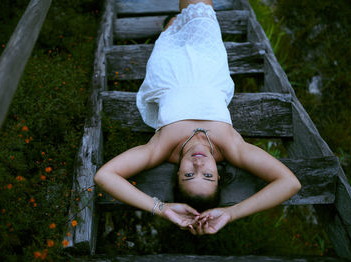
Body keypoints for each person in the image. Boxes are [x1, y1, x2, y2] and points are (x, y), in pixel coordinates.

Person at [94, 0, 301, 235]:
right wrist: (231, 213)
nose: (199, 164)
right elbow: (290, 183)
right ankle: (174, 21)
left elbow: (104, 176)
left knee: (172, 27)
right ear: (219, 174)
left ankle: (170, 24)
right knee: (198, 8)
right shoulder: (231, 148)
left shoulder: (162, 148)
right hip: (208, 64)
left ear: (177, 174)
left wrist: (161, 208)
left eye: (189, 174)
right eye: (209, 175)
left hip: (169, 70)